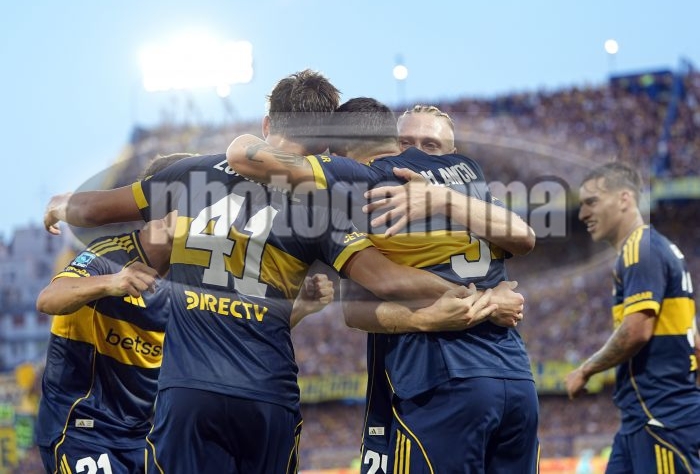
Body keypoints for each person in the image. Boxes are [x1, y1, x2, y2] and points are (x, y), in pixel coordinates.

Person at [43, 72, 495, 473]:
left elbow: (94, 209)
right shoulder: (322, 204)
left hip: (189, 394)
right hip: (267, 395)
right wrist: (477, 294)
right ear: (324, 145)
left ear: (267, 124)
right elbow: (388, 281)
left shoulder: (191, 172)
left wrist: (63, 204)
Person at [226, 99, 539, 473]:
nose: (414, 153)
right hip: (515, 377)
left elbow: (246, 157)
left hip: (439, 378)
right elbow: (525, 237)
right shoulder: (471, 175)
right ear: (392, 137)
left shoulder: (370, 180)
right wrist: (489, 299)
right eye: (406, 142)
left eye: (430, 144)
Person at [34, 153, 190, 474]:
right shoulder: (110, 255)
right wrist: (110, 283)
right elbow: (49, 299)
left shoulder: (189, 279)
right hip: (82, 430)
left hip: (143, 439)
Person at [565, 161, 700, 473]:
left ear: (624, 199)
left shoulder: (640, 249)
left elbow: (637, 331)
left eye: (591, 202)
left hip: (661, 418)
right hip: (642, 419)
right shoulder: (657, 248)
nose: (583, 214)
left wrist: (585, 370)